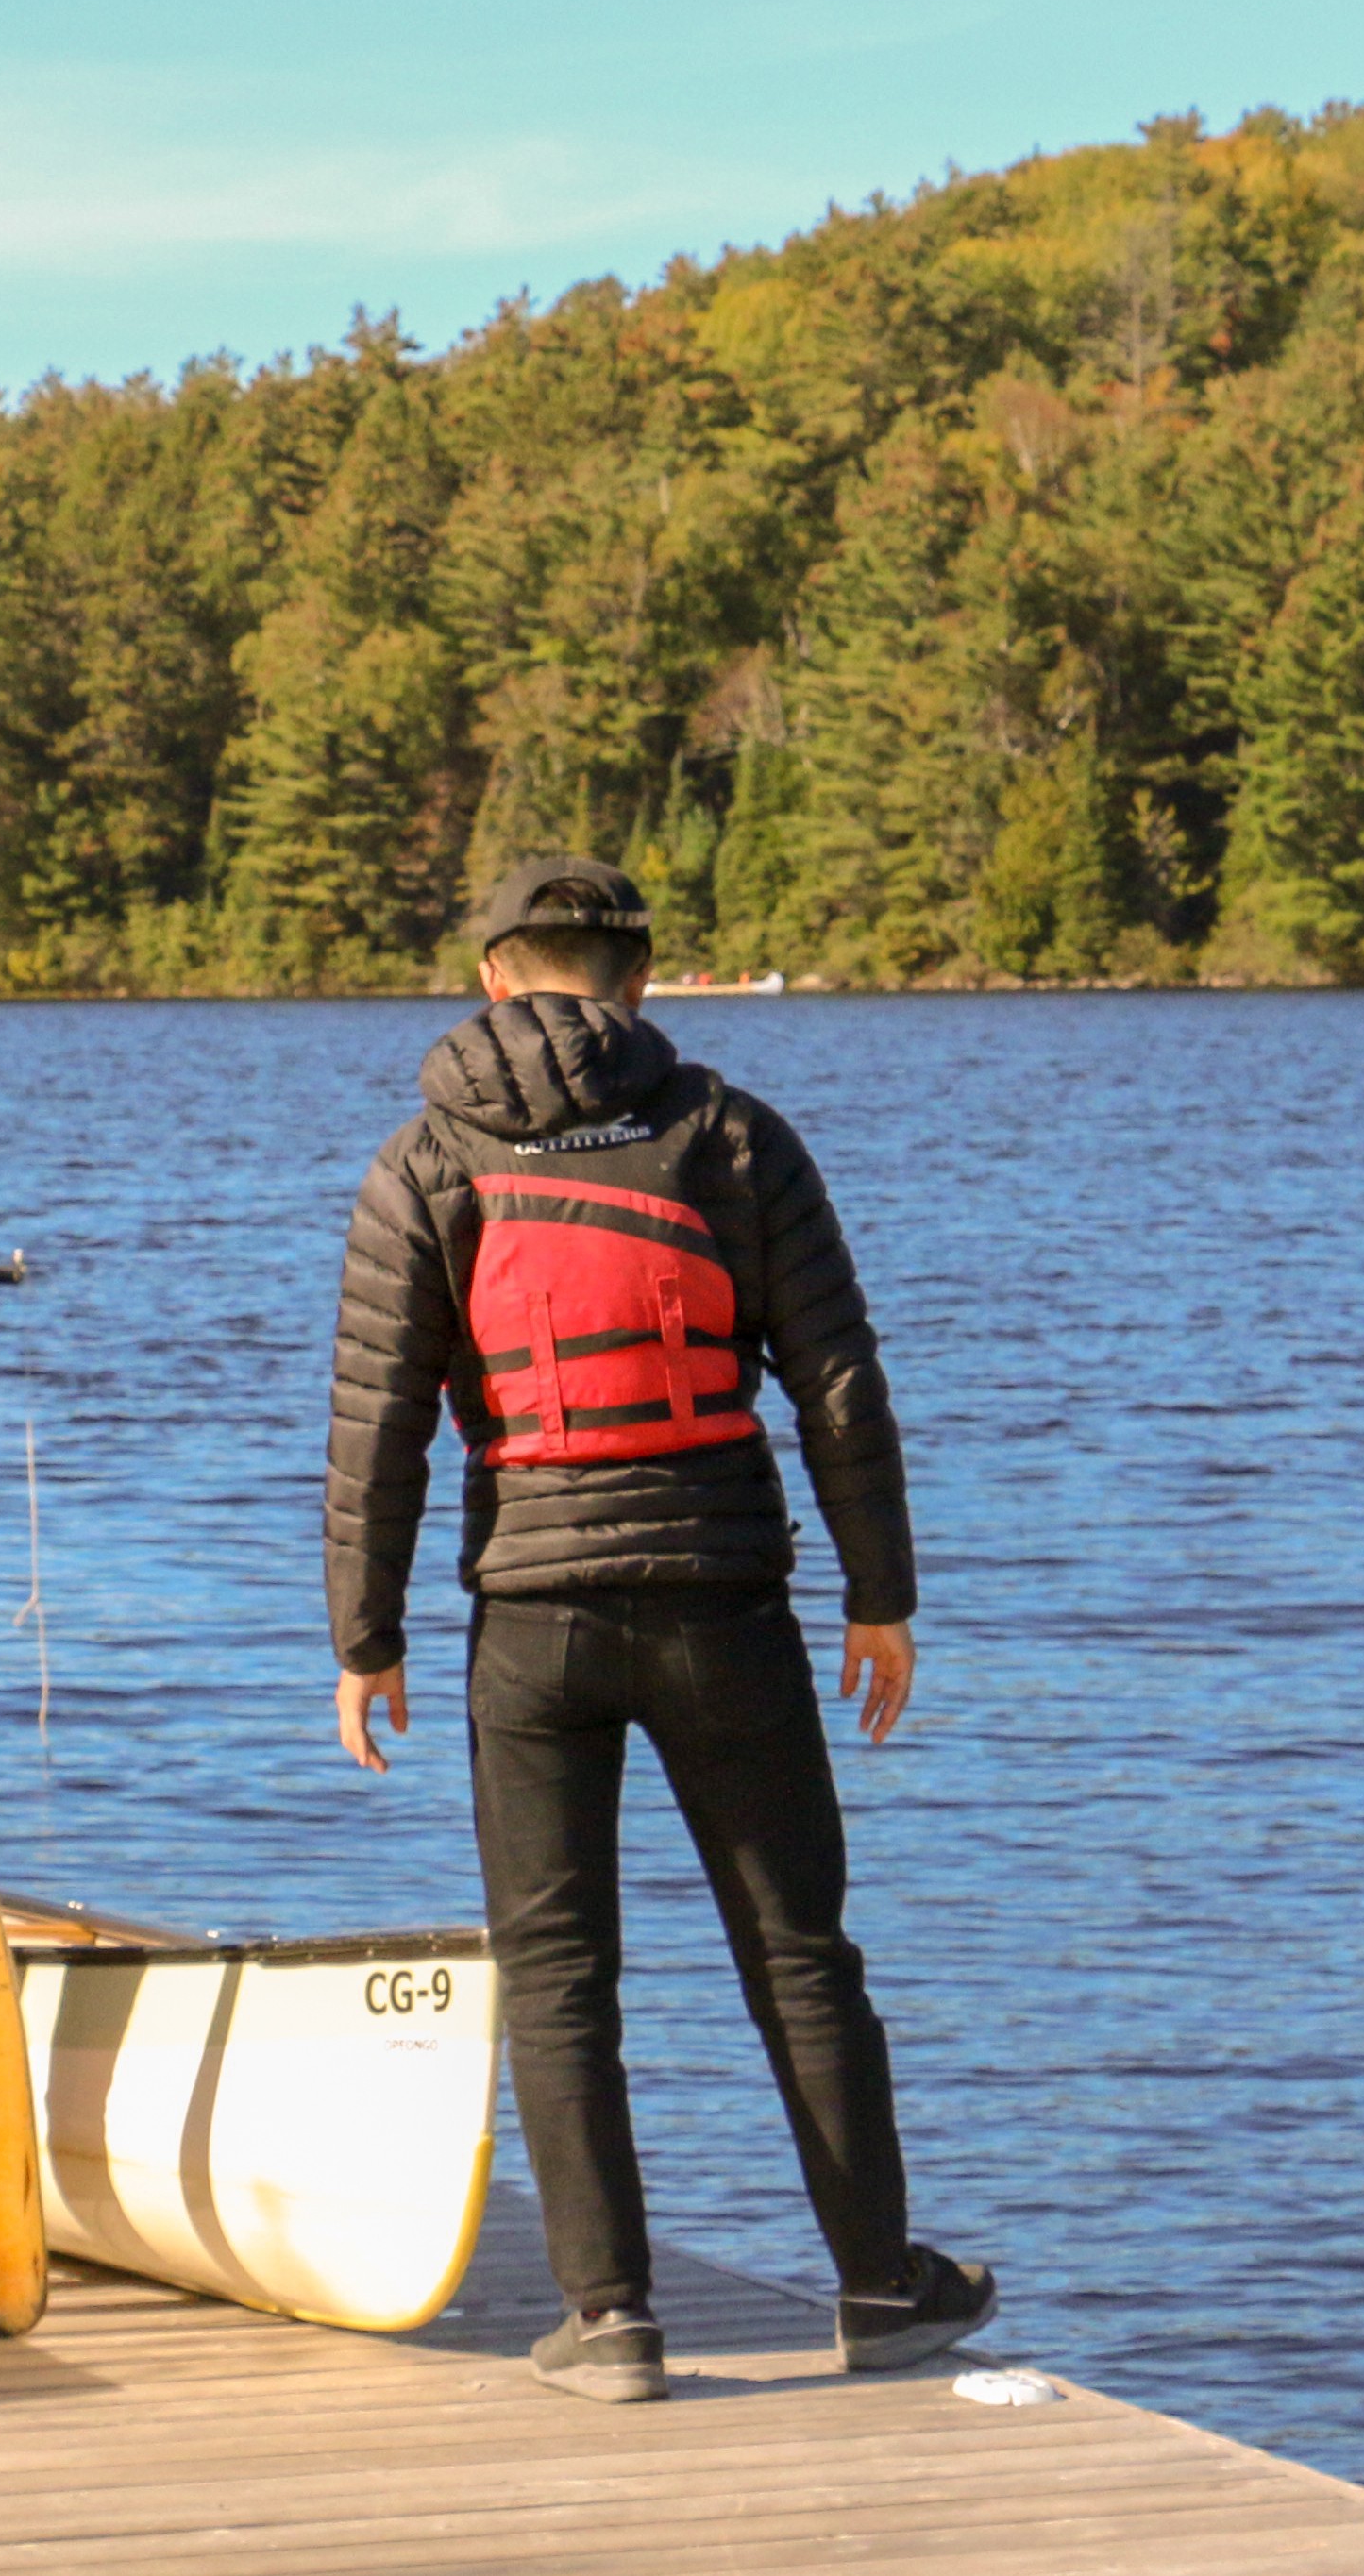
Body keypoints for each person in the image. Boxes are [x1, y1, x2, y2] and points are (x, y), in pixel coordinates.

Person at [320, 858, 991, 2406]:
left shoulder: (420, 1161)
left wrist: (364, 1636)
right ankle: (880, 2287)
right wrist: (879, 1591)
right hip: (721, 1598)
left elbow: (376, 1422)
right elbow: (837, 1379)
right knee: (799, 1951)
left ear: (494, 976)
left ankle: (610, 2318)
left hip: (529, 1617)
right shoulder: (734, 1136)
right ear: (639, 977)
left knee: (557, 1970)